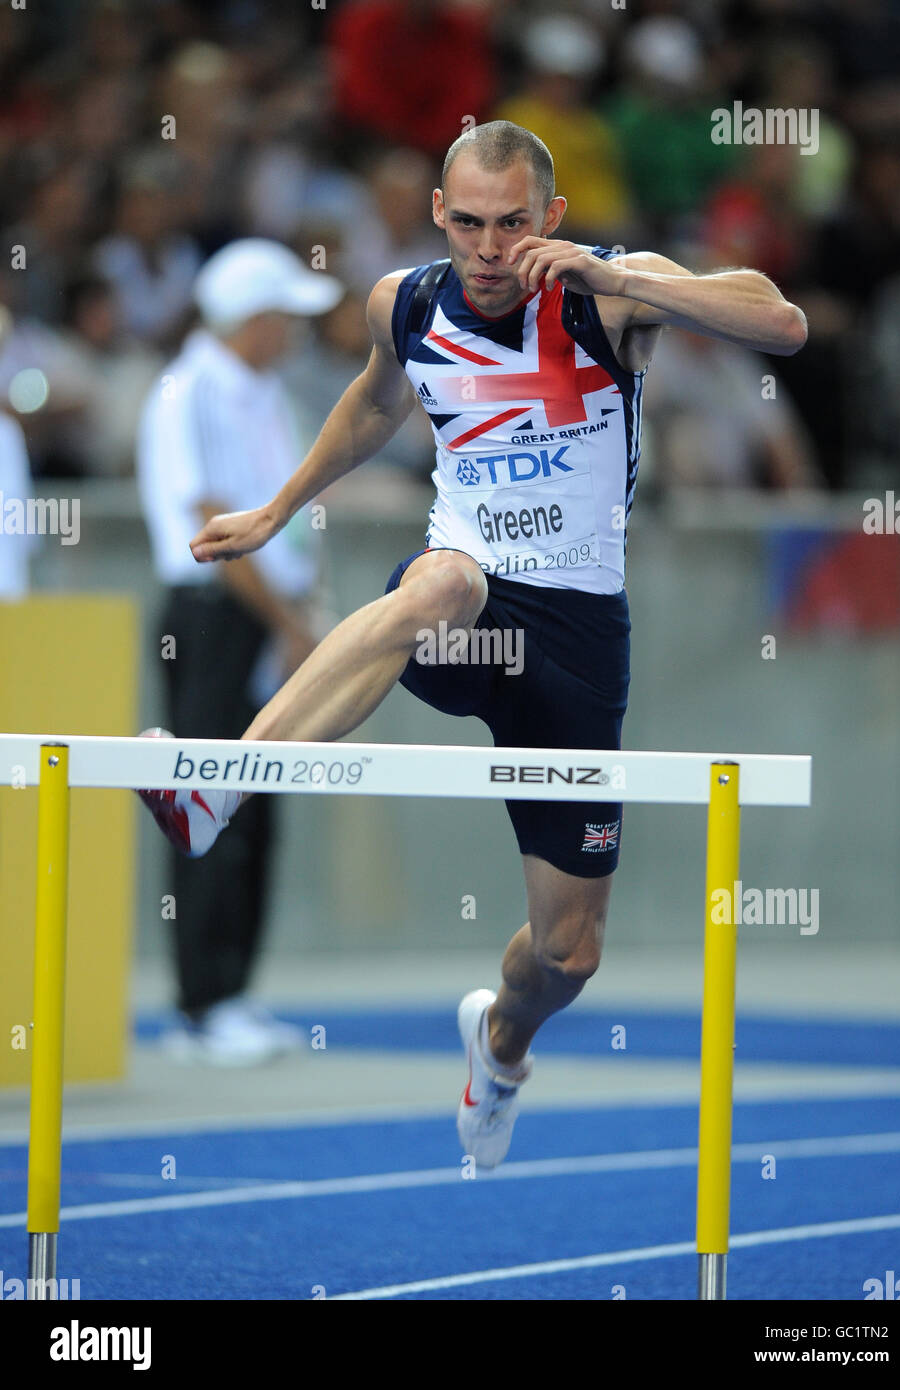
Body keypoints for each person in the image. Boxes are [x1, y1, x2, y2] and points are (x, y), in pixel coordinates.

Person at [138, 122, 807, 1157]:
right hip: (469, 619)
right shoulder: (402, 302)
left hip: (579, 639)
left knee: (568, 952)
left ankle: (499, 1047)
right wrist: (276, 511)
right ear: (439, 216)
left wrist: (617, 276)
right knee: (439, 579)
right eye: (468, 224)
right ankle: (213, 790)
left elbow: (783, 321)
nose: (490, 249)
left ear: (550, 217)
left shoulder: (606, 291)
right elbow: (374, 402)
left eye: (512, 225)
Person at [136, 238, 343, 1064]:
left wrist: (302, 610)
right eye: (282, 318)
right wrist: (287, 619)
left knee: (253, 801)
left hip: (266, 613)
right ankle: (201, 1004)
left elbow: (290, 512)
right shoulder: (189, 388)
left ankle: (236, 992)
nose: (292, 332)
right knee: (202, 805)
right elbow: (210, 516)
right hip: (214, 613)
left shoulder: (262, 392)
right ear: (251, 320)